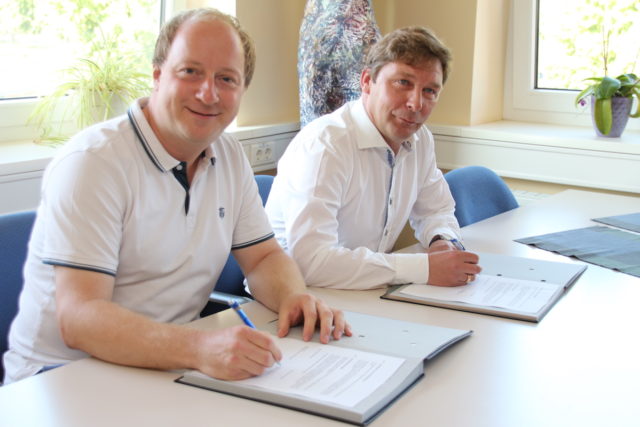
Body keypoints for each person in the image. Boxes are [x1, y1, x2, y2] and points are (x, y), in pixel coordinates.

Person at [3, 8, 350, 385]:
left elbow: (263, 256)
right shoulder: (94, 162)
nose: (208, 93)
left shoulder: (229, 155)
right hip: (60, 377)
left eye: (226, 79)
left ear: (241, 91)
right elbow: (80, 317)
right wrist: (200, 349)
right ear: (157, 76)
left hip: (161, 365)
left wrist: (293, 298)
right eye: (191, 72)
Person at [266, 26, 481, 290]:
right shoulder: (325, 146)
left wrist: (441, 241)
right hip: (293, 299)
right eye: (403, 83)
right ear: (367, 81)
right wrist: (423, 268)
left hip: (365, 292)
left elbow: (436, 210)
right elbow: (310, 262)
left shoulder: (420, 139)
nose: (416, 103)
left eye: (430, 91)